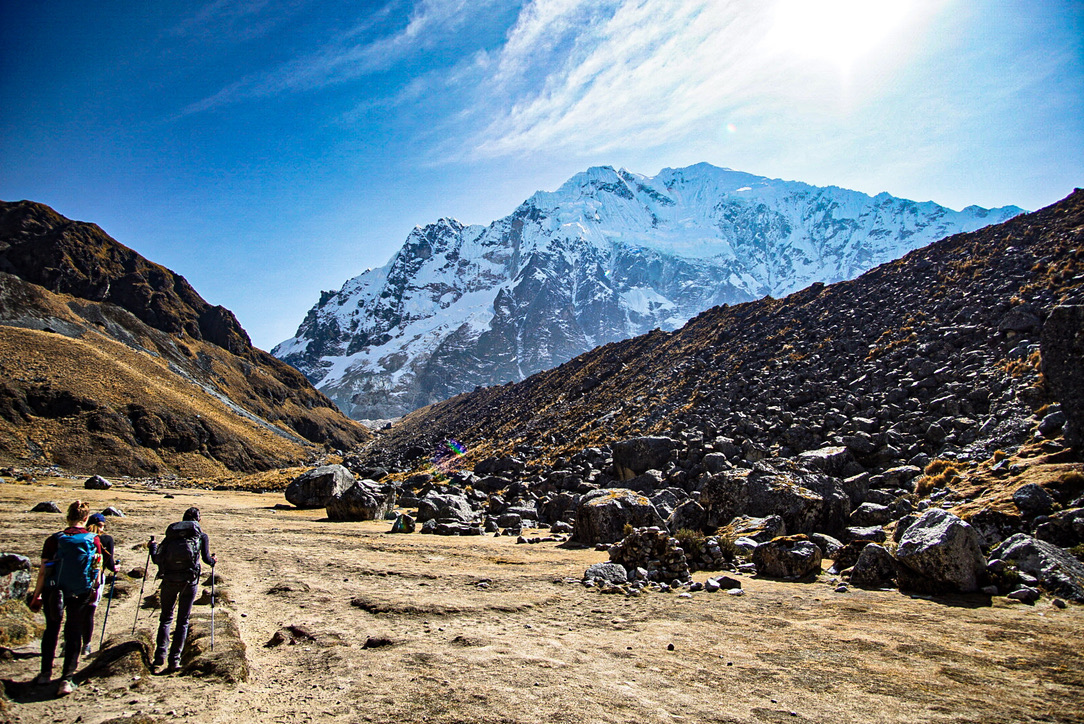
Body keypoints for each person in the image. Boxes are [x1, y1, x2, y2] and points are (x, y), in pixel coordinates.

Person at [26, 500, 103, 695]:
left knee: (52, 629)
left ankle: (45, 674)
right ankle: (66, 679)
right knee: (74, 631)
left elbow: (43, 571)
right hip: (81, 591)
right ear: (86, 519)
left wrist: (37, 595)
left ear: (68, 517)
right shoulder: (93, 539)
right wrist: (94, 588)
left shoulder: (54, 539)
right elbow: (97, 568)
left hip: (54, 589)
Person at [148, 506, 216, 672]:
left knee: (166, 617)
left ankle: (159, 656)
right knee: (183, 620)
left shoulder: (171, 537)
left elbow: (157, 559)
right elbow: (208, 560)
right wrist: (214, 560)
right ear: (198, 520)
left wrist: (152, 547)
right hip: (189, 581)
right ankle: (175, 660)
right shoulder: (201, 536)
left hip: (169, 579)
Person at [81, 512, 117, 655]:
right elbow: (110, 564)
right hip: (96, 578)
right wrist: (116, 568)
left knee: (74, 611)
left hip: (77, 578)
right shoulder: (107, 539)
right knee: (90, 611)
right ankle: (86, 645)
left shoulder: (80, 537)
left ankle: (68, 643)